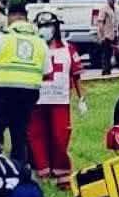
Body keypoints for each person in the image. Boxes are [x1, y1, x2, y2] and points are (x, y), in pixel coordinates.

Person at [0, 2, 52, 163]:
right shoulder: (39, 41)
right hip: (29, 94)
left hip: (1, 93)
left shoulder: (2, 37)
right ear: (26, 18)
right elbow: (48, 72)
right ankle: (20, 173)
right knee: (20, 135)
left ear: (10, 17)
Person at [28, 12, 82, 187]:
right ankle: (42, 171)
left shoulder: (68, 48)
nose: (45, 30)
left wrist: (81, 98)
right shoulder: (33, 48)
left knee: (60, 136)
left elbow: (76, 75)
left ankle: (62, 173)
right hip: (37, 100)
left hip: (60, 100)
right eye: (42, 26)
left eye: (49, 26)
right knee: (36, 137)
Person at [95, 0, 119, 75]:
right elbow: (100, 23)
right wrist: (102, 36)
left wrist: (117, 35)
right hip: (106, 36)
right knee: (105, 55)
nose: (112, 0)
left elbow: (116, 23)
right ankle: (105, 71)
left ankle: (108, 71)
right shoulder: (104, 9)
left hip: (113, 35)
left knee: (110, 55)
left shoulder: (115, 9)